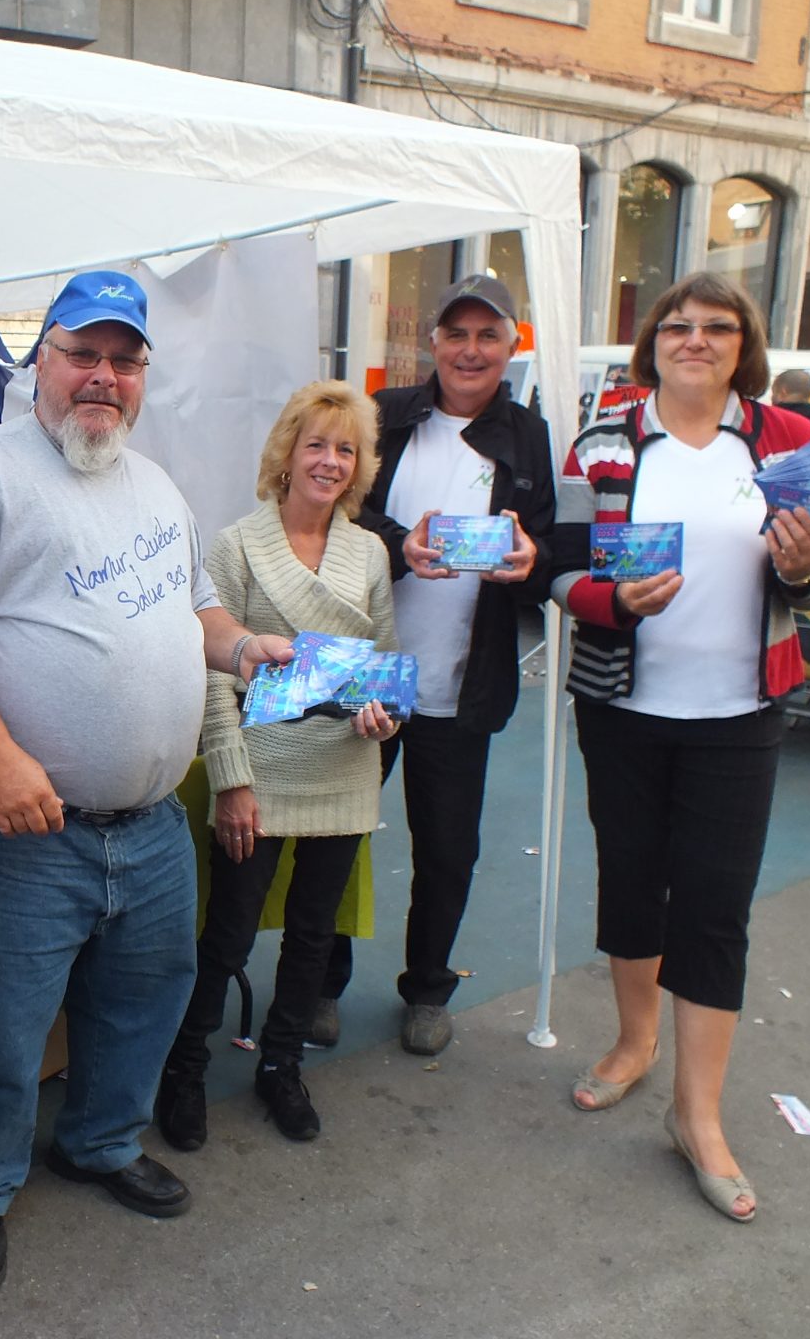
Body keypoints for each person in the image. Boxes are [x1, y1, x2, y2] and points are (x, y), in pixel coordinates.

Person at [0, 269, 293, 1299]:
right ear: (42, 361)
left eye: (125, 360)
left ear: (141, 380)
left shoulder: (155, 486)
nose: (104, 376)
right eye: (84, 353)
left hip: (150, 824)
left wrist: (249, 646)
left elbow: (200, 614)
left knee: (143, 1002)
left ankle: (98, 1139)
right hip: (20, 828)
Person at [552, 271, 810, 1224]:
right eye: (678, 326)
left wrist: (806, 571)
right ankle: (635, 1045)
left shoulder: (789, 440)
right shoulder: (604, 442)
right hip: (623, 708)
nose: (697, 340)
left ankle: (699, 1113)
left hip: (739, 714)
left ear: (744, 344)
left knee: (714, 907)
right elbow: (555, 568)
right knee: (632, 881)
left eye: (719, 328)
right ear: (653, 343)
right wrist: (610, 599)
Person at [156, 381, 398, 1150]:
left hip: (344, 770)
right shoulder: (234, 545)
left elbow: (384, 667)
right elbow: (214, 671)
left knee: (314, 934)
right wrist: (231, 778)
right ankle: (184, 1069)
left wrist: (384, 714)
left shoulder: (369, 553)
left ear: (358, 467)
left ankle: (281, 1066)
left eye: (345, 449)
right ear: (287, 456)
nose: (330, 461)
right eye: (316, 444)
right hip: (260, 777)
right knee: (225, 936)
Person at [317, 273, 554, 1057]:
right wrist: (400, 545)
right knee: (338, 834)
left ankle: (427, 992)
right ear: (433, 343)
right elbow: (337, 509)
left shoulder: (527, 434)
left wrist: (530, 556)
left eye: (488, 335)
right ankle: (319, 984)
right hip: (373, 669)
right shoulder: (386, 418)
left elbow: (545, 540)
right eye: (457, 333)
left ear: (511, 345)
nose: (471, 349)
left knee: (447, 850)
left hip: (463, 680)